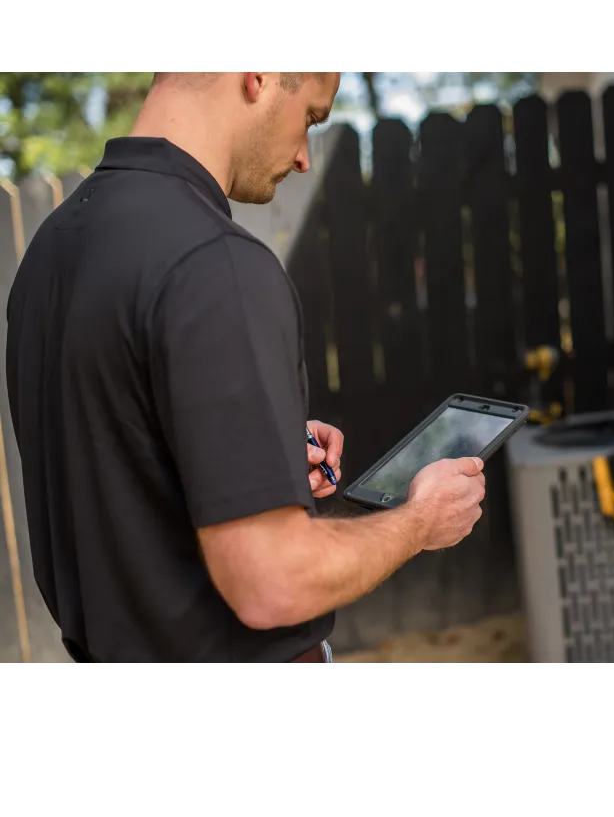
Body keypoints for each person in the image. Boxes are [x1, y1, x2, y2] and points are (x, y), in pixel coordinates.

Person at [5, 70, 486, 668]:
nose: (306, 157)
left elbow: (115, 452)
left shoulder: (53, 247)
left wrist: (250, 453)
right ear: (258, 75)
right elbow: (272, 583)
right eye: (310, 117)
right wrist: (420, 520)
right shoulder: (215, 263)